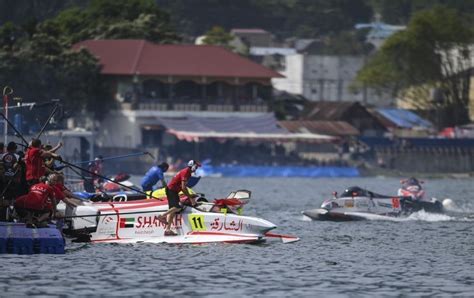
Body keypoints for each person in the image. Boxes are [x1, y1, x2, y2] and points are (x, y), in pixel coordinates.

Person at [159, 160, 200, 236]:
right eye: (196, 167)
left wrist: (191, 199)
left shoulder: (188, 173)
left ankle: (167, 230)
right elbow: (184, 188)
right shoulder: (186, 172)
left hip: (173, 191)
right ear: (193, 166)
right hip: (171, 190)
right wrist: (190, 196)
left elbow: (183, 188)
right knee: (177, 208)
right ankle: (162, 216)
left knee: (173, 211)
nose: (197, 168)